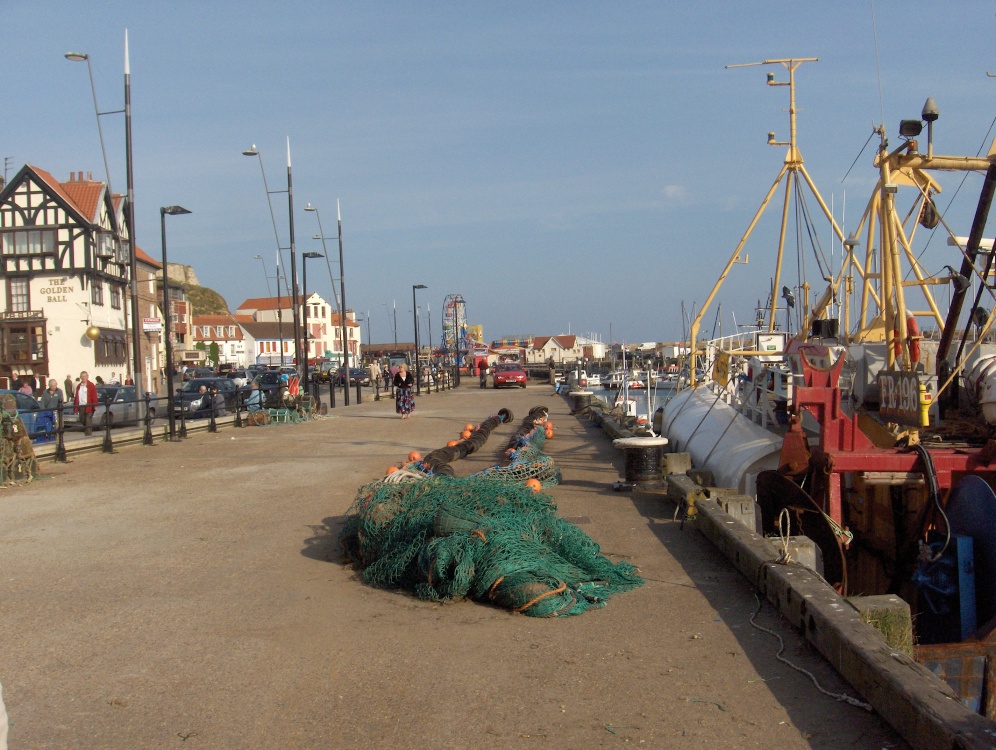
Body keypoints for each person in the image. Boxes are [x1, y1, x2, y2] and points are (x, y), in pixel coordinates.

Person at [74, 371, 98, 436]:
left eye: (85, 376)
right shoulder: (79, 386)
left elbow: (94, 395)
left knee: (88, 419)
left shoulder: (91, 385)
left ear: (87, 377)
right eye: (82, 376)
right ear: (80, 377)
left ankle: (88, 434)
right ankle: (87, 429)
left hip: (89, 405)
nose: (83, 377)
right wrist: (75, 407)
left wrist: (95, 405)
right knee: (82, 419)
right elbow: (76, 397)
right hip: (81, 405)